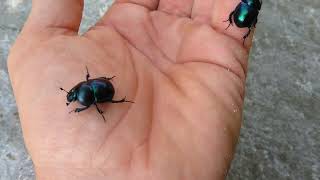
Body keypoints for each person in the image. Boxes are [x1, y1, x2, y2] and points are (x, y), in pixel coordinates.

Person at [7, 0, 254, 179]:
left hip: (105, 88)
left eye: (73, 96)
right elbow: (87, 87)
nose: (73, 97)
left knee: (102, 100)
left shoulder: (86, 94)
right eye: (74, 96)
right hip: (104, 87)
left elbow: (87, 91)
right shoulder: (86, 88)